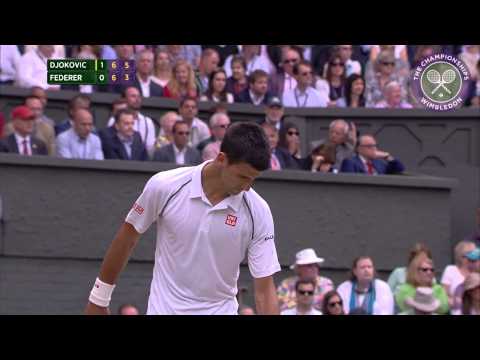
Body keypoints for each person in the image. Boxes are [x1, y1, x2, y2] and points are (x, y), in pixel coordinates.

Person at [85, 122, 281, 315]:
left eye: (253, 179)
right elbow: (127, 238)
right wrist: (99, 298)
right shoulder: (164, 186)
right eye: (242, 177)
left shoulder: (258, 211)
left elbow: (264, 288)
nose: (247, 186)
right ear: (222, 159)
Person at [107, 87, 156, 158]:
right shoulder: (113, 120)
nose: (137, 99)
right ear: (124, 99)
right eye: (133, 96)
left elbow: (150, 147)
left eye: (139, 96)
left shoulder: (148, 122)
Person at [340, 134, 405, 175]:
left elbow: (399, 168)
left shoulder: (379, 163)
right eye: (370, 146)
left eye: (375, 146)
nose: (374, 149)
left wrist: (388, 157)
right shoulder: (350, 162)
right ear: (359, 149)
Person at [441, 241, 477, 312]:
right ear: (462, 257)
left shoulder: (477, 271)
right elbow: (444, 294)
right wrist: (454, 301)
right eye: (473, 254)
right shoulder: (450, 270)